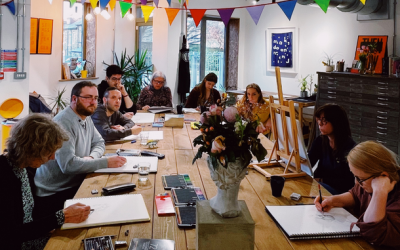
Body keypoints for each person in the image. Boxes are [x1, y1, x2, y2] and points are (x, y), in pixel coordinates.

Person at [34, 81, 127, 219]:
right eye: (88, 97)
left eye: (96, 98)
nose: (93, 102)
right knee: (110, 211)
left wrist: (91, 158)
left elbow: (99, 142)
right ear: (74, 99)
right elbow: (68, 165)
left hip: (76, 180)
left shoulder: (86, 116)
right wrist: (105, 162)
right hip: (55, 193)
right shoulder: (63, 122)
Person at [0, 114, 91, 250]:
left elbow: (27, 217)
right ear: (32, 149)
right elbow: (9, 234)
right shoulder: (4, 176)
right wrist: (60, 217)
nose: (53, 157)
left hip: (29, 238)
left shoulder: (25, 167)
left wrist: (46, 226)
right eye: (49, 152)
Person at [315, 141, 400, 248]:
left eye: (360, 179)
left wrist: (379, 192)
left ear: (383, 176)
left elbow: (374, 232)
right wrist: (333, 200)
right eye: (355, 176)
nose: (356, 183)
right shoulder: (368, 182)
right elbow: (356, 195)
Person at [308, 103, 356, 195]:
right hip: (320, 185)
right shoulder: (320, 141)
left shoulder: (350, 148)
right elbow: (309, 163)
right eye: (319, 120)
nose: (320, 124)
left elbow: (347, 182)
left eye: (324, 120)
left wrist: (321, 180)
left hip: (339, 191)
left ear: (336, 122)